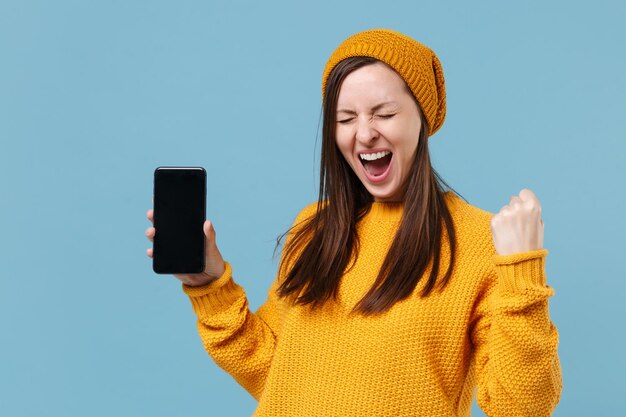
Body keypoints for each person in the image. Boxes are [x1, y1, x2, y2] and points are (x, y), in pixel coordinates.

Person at [145, 28, 562, 416]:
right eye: (346, 119)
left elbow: (520, 407)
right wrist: (208, 285)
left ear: (422, 118)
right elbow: (273, 371)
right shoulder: (314, 229)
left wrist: (522, 274)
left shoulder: (480, 241)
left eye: (383, 113)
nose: (364, 134)